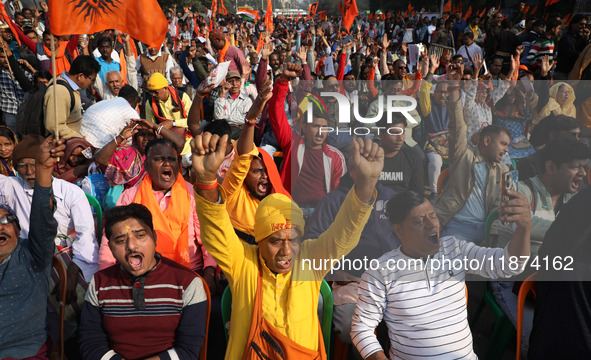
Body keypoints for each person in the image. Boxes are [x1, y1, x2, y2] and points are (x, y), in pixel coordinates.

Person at [192, 124, 383, 359]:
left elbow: (344, 234)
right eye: (275, 241)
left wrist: (365, 185)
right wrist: (206, 179)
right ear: (259, 241)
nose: (286, 251)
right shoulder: (243, 262)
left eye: (292, 240)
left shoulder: (309, 260)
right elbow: (215, 230)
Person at [350, 189, 532, 360]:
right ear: (399, 230)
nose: (432, 225)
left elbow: (508, 265)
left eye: (433, 216)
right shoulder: (380, 271)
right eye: (419, 221)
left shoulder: (455, 249)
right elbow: (361, 328)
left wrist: (524, 228)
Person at [492, 138, 591, 357]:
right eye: (576, 167)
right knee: (533, 343)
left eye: (585, 167)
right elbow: (512, 223)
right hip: (512, 281)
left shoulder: (573, 198)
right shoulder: (522, 191)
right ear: (550, 167)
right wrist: (569, 228)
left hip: (548, 279)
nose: (583, 173)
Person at [79, 203, 208, 360]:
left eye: (140, 236)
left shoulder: (188, 283)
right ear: (111, 248)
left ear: (154, 237)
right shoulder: (99, 283)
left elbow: (188, 350)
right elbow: (91, 345)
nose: (132, 246)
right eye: (120, 240)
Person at [98, 137, 217, 289]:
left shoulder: (192, 193)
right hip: (142, 274)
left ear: (178, 164)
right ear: (146, 165)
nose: (167, 163)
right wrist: (105, 276)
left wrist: (209, 272)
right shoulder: (130, 196)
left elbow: (207, 237)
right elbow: (110, 240)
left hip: (189, 271)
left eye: (171, 159)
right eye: (159, 159)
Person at [0, 135, 65, 359]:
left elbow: (42, 219)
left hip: (23, 351)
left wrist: (44, 169)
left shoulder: (32, 255)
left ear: (19, 230)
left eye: (6, 221)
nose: (1, 228)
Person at [0, 135, 97, 283]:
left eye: (34, 164)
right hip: (22, 260)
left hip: (64, 258)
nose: (29, 171)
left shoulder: (71, 192)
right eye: (22, 166)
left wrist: (72, 273)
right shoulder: (11, 186)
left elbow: (86, 236)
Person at [436, 65, 511, 243]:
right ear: (486, 141)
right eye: (503, 144)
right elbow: (457, 125)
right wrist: (454, 87)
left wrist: (492, 236)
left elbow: (499, 207)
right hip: (457, 227)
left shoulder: (503, 170)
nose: (507, 150)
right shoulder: (464, 155)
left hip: (487, 232)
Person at [221, 79, 288, 242]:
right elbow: (243, 157)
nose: (264, 176)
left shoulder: (279, 200)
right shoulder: (233, 192)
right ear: (244, 175)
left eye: (267, 171)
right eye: (257, 171)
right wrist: (250, 120)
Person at [268, 63, 347, 195]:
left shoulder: (336, 157)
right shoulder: (291, 142)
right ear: (304, 127)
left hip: (321, 212)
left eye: (324, 127)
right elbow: (276, 111)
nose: (320, 131)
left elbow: (337, 195)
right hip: (290, 210)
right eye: (316, 126)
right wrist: (283, 81)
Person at [43, 55, 101, 139]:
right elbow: (54, 126)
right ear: (80, 76)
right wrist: (80, 140)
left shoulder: (70, 87)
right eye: (92, 79)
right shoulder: (59, 92)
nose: (92, 83)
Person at [79, 84, 140, 149]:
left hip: (78, 137)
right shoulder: (130, 110)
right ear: (133, 99)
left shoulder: (104, 102)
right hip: (97, 146)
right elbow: (138, 135)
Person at [145, 72, 192, 154]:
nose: (153, 94)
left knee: (187, 160)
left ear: (166, 88)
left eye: (156, 92)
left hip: (187, 139)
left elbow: (193, 122)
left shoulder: (182, 97)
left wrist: (173, 123)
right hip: (164, 141)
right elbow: (151, 126)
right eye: (151, 92)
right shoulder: (150, 103)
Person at [377, 114, 424, 194]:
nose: (400, 138)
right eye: (394, 133)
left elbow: (418, 196)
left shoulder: (413, 162)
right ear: (381, 135)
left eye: (402, 133)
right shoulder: (369, 161)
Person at [213, 70, 253, 139]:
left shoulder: (247, 100)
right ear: (226, 83)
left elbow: (246, 120)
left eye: (237, 81)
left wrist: (226, 119)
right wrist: (222, 94)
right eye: (231, 81)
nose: (234, 84)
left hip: (240, 130)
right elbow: (219, 118)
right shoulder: (220, 99)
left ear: (240, 83)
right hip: (223, 129)